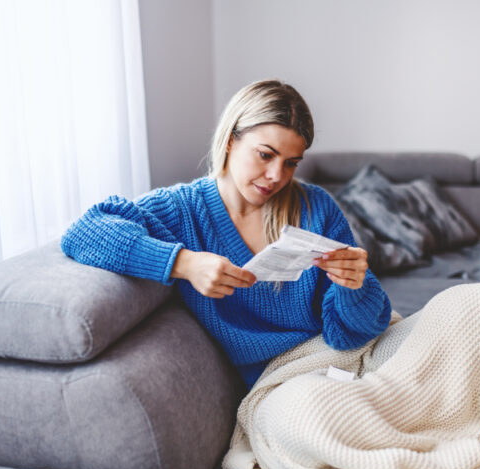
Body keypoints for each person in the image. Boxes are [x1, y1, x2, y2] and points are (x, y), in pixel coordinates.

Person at [61, 79, 392, 389]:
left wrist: (353, 285)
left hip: (344, 357)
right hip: (285, 381)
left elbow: (354, 333)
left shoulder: (315, 207)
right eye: (265, 155)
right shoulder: (182, 210)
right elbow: (86, 230)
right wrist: (183, 263)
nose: (277, 176)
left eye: (291, 163)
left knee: (446, 311)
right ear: (231, 140)